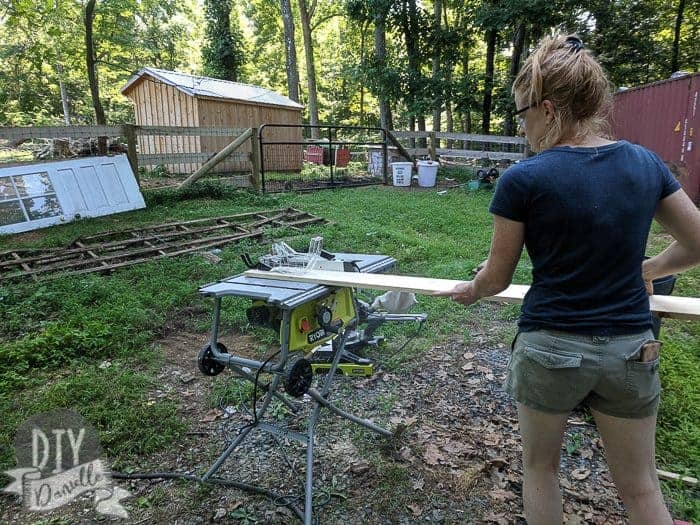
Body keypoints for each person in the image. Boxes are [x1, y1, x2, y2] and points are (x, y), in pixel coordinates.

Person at [435, 34, 700, 524]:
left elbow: (496, 278)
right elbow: (698, 241)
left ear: (550, 108)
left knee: (541, 471)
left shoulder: (525, 178)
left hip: (550, 347)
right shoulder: (645, 164)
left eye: (523, 113)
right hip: (629, 351)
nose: (523, 128)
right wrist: (652, 269)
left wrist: (469, 291)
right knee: (641, 488)